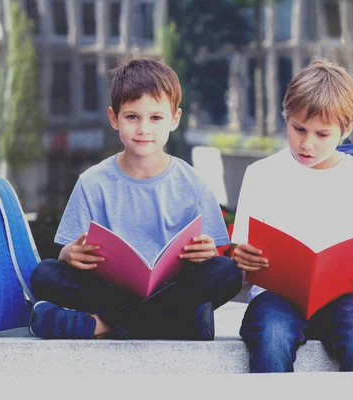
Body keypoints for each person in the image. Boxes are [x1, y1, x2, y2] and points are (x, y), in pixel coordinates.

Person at [29, 58, 242, 340]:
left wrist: (207, 254)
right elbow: (68, 253)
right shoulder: (93, 182)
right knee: (45, 274)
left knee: (227, 272)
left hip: (171, 288)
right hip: (109, 290)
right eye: (132, 117)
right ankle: (181, 323)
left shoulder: (194, 184)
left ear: (174, 119)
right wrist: (68, 254)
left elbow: (211, 260)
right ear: (114, 118)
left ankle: (100, 326)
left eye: (155, 118)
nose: (144, 128)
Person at [231, 58, 353, 372]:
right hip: (275, 296)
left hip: (344, 298)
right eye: (298, 129)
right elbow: (243, 255)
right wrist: (243, 260)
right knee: (272, 336)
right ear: (286, 117)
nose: (306, 143)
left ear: (346, 128)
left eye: (322, 134)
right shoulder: (261, 175)